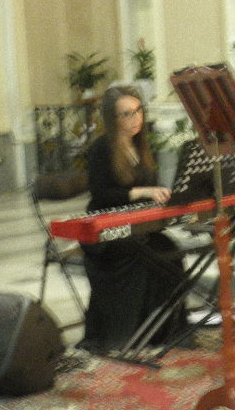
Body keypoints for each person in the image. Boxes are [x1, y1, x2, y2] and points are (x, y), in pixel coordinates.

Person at [78, 84, 188, 354]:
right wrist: (141, 192)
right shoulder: (101, 149)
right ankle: (126, 335)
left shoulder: (142, 146)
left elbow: (150, 189)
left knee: (170, 250)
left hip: (136, 229)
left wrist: (162, 197)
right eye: (126, 114)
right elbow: (101, 195)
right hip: (106, 235)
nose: (135, 118)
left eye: (138, 111)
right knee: (141, 257)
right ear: (112, 119)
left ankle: (165, 330)